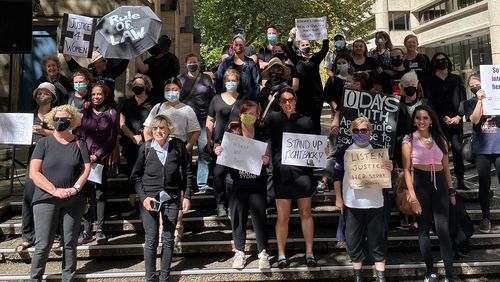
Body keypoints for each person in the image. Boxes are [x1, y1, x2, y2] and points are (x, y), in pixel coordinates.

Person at [29, 105, 91, 281]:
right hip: (45, 199)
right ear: (51, 120)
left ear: (72, 121)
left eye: (63, 119)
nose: (59, 122)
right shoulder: (43, 143)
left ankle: (68, 278)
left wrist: (75, 188)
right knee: (43, 244)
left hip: (74, 200)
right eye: (56, 119)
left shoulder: (80, 143)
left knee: (70, 243)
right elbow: (34, 173)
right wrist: (54, 190)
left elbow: (86, 169)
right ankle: (35, 278)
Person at [402, 105, 461, 282]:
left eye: (425, 118)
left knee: (443, 230)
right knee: (423, 229)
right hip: (420, 184)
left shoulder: (440, 138)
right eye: (418, 118)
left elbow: (446, 168)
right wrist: (412, 197)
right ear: (414, 120)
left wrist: (451, 191)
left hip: (440, 184)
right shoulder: (409, 139)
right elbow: (406, 170)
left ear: (431, 120)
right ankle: (430, 272)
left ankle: (450, 273)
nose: (421, 121)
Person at [130, 115, 192, 281]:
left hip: (172, 197)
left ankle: (164, 276)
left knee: (168, 237)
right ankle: (150, 278)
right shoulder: (146, 148)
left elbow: (187, 172)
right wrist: (143, 197)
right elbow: (135, 176)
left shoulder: (178, 146)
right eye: (155, 128)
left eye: (162, 128)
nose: (158, 131)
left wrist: (186, 195)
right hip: (150, 199)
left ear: (168, 129)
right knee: (151, 239)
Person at [332, 116, 393, 282]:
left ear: (370, 132)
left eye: (364, 130)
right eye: (356, 131)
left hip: (376, 203)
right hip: (352, 204)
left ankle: (381, 278)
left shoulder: (379, 150)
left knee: (378, 242)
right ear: (351, 133)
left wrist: (390, 168)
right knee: (353, 241)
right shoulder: (343, 151)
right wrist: (338, 198)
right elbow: (337, 176)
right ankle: (358, 277)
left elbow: (388, 180)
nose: (360, 133)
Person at [265, 87, 317, 268]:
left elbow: (315, 146)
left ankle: (309, 252)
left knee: (306, 214)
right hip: (282, 174)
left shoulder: (306, 121)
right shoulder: (273, 118)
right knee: (283, 217)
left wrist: (322, 151)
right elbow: (259, 125)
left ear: (295, 100)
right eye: (284, 100)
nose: (288, 103)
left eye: (291, 99)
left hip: (303, 174)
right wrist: (272, 98)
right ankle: (281, 254)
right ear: (279, 103)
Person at [214, 101, 270, 269]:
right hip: (236, 183)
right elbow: (222, 148)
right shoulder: (232, 131)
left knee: (260, 218)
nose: (249, 116)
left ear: (257, 115)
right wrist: (218, 149)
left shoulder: (262, 132)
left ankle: (263, 253)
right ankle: (239, 252)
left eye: (253, 113)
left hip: (257, 183)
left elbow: (267, 154)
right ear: (240, 114)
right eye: (246, 113)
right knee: (238, 218)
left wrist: (266, 159)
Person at [143, 77, 200, 241]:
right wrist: (150, 146)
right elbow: (148, 128)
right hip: (159, 150)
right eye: (168, 89)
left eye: (174, 89)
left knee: (177, 189)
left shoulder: (187, 110)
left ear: (180, 90)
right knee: (162, 189)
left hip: (177, 150)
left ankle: (178, 223)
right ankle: (163, 226)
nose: (171, 92)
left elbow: (196, 130)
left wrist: (187, 147)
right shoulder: (158, 107)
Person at [74, 82, 119, 245]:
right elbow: (78, 134)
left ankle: (100, 230)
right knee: (86, 195)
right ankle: (86, 230)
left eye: (99, 94)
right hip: (84, 160)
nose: (96, 97)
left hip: (101, 160)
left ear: (105, 95)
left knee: (100, 194)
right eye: (93, 94)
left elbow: (112, 138)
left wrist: (98, 155)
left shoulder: (112, 113)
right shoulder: (84, 113)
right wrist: (85, 155)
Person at [16, 83, 57, 253]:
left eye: (46, 92)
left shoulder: (57, 115)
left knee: (52, 197)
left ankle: (54, 236)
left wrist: (44, 132)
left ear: (52, 96)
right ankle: (28, 236)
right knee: (29, 197)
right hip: (33, 160)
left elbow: (67, 133)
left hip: (54, 161)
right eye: (40, 92)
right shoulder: (28, 117)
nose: (42, 95)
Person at [425, 52, 468, 190]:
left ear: (448, 61)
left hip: (456, 121)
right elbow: (429, 101)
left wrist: (459, 116)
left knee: (457, 150)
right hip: (439, 121)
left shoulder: (456, 79)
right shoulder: (429, 80)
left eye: (443, 60)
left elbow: (463, 98)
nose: (441, 62)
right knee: (441, 151)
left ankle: (460, 180)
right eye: (437, 60)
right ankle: (443, 180)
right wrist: (442, 116)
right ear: (434, 64)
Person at [463, 74, 500, 233]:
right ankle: (486, 218)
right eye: (472, 85)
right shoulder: (469, 103)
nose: (475, 86)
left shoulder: (497, 99)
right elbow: (475, 120)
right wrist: (479, 101)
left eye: (478, 83)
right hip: (482, 149)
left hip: (498, 146)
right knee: (484, 184)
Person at [119, 74, 159, 217]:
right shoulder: (127, 103)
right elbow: (121, 123)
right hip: (130, 143)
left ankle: (147, 202)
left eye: (140, 85)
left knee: (147, 171)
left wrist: (143, 136)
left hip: (149, 143)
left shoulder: (155, 103)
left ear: (146, 86)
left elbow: (158, 122)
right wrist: (132, 136)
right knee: (132, 172)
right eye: (135, 85)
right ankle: (131, 204)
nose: (137, 87)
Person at [206, 69, 245, 217]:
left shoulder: (243, 100)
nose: (231, 83)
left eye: (234, 80)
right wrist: (209, 140)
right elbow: (210, 120)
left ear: (238, 82)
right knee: (218, 174)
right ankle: (220, 204)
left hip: (238, 144)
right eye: (228, 80)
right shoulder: (216, 99)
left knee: (236, 176)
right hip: (220, 144)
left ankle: (234, 203)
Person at [178, 53, 216, 193]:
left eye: (195, 61)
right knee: (185, 151)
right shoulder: (180, 79)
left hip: (203, 119)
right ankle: (184, 182)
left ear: (199, 63)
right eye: (190, 62)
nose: (192, 64)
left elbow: (213, 98)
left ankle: (202, 183)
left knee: (204, 151)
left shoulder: (206, 78)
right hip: (186, 120)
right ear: (186, 64)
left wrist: (213, 118)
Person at [287, 27, 329, 134]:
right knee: (302, 121)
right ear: (299, 47)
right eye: (302, 45)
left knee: (315, 122)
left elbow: (325, 48)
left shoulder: (316, 58)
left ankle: (317, 146)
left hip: (316, 97)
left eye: (307, 44)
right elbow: (288, 49)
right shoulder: (297, 60)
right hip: (301, 97)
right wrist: (291, 37)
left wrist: (324, 33)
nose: (305, 47)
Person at [394, 71, 432, 167]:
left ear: (417, 85)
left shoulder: (425, 103)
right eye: (407, 84)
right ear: (402, 86)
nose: (410, 86)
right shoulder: (395, 104)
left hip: (423, 147)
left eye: (412, 84)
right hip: (402, 148)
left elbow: (433, 124)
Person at [215, 34, 260, 101]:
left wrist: (255, 101)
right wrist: (219, 99)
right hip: (228, 100)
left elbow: (256, 83)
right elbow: (218, 81)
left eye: (241, 45)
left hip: (246, 101)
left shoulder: (250, 63)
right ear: (232, 46)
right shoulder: (225, 63)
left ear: (244, 46)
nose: (238, 47)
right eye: (236, 45)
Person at [135, 35, 180, 100]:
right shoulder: (151, 60)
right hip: (151, 97)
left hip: (166, 96)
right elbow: (141, 70)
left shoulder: (170, 59)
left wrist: (136, 53)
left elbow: (143, 69)